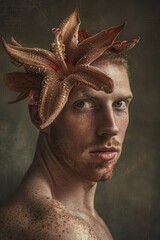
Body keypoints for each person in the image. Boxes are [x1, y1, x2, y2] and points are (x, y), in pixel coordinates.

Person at [0, 9, 139, 240]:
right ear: (41, 116)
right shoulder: (62, 230)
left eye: (120, 104)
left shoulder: (79, 217)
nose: (111, 127)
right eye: (84, 104)